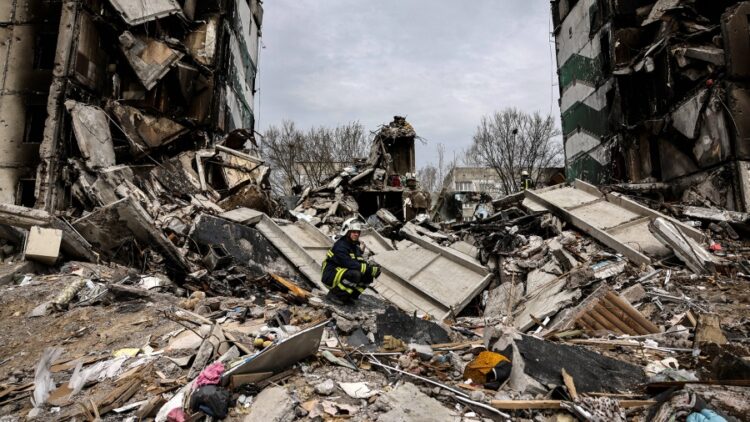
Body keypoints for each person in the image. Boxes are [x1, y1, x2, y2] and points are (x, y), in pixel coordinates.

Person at [321, 218, 381, 305]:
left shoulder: (354, 246)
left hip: (341, 273)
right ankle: (334, 295)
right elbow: (350, 264)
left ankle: (351, 296)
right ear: (347, 232)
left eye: (358, 232)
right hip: (330, 275)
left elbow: (360, 261)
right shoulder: (340, 246)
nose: (356, 234)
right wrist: (369, 269)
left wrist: (372, 268)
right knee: (355, 274)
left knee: (368, 275)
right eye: (354, 232)